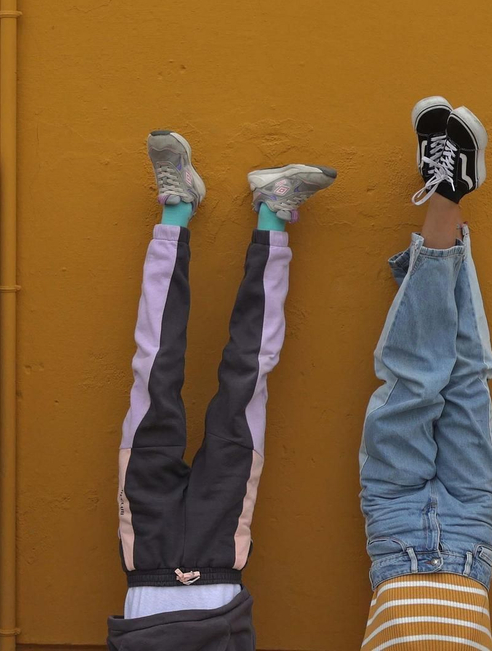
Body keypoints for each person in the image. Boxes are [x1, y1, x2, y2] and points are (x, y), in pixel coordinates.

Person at [106, 131, 337, 651]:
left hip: (146, 554)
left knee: (154, 369)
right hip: (221, 547)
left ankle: (177, 206)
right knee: (247, 376)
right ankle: (274, 214)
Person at [357, 96, 492, 651]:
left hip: (393, 528)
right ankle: (449, 194)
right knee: (467, 376)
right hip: (470, 536)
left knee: (414, 382)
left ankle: (449, 193)